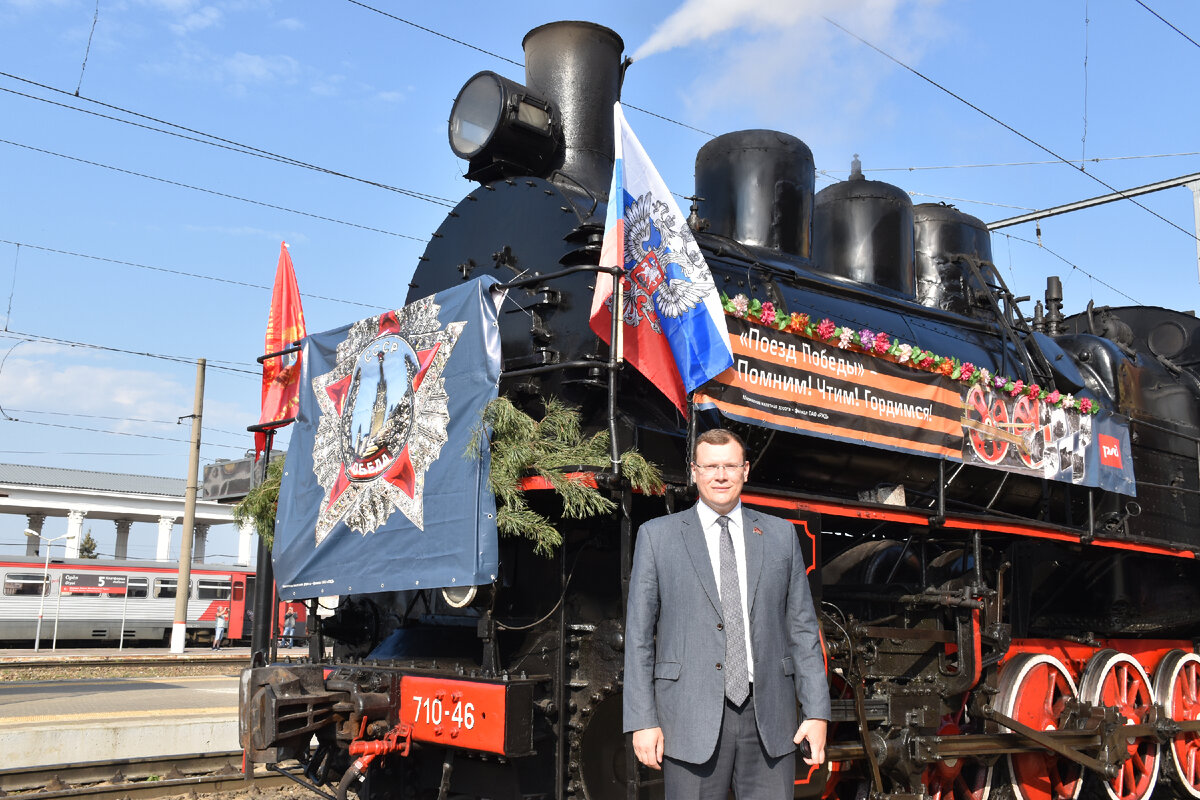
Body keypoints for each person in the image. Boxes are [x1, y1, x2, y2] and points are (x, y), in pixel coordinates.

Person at [623, 428, 830, 799]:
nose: (721, 475)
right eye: (711, 466)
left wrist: (816, 713)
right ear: (694, 472)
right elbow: (639, 637)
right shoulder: (657, 537)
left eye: (730, 466)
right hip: (688, 719)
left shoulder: (781, 536)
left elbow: (802, 629)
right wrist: (642, 720)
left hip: (770, 719)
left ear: (745, 471)